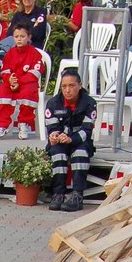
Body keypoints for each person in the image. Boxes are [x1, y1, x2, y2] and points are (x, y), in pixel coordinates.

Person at [45, 68, 97, 212]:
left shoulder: (89, 103)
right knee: (57, 153)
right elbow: (51, 127)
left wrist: (71, 139)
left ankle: (77, 196)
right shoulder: (53, 103)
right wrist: (55, 136)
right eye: (64, 86)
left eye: (71, 86)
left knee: (80, 153)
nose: (67, 90)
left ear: (80, 85)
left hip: (80, 141)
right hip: (60, 142)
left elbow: (87, 130)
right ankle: (58, 194)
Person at [0, 23, 44, 140]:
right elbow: (4, 70)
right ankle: (1, 125)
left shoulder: (35, 54)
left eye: (22, 36)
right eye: (16, 37)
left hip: (27, 85)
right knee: (2, 91)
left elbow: (35, 74)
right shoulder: (10, 53)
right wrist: (9, 79)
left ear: (29, 37)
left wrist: (18, 82)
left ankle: (24, 124)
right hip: (12, 84)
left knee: (28, 93)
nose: (19, 39)